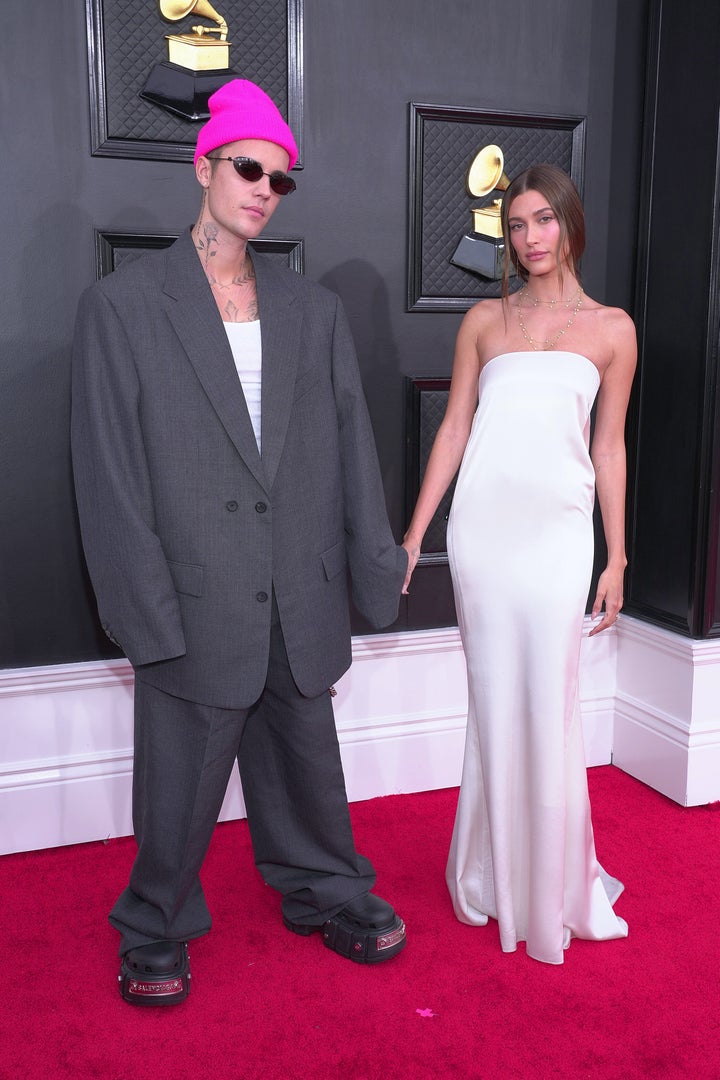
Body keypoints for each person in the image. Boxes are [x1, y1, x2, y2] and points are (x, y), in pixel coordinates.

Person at [71, 79, 408, 1005]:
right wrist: (143, 607)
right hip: (191, 588)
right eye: (249, 168)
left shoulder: (314, 311)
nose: (264, 187)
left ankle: (326, 891)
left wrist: (371, 565)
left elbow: (350, 446)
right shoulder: (125, 306)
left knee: (307, 757)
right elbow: (108, 474)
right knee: (177, 784)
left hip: (298, 580)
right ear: (204, 166)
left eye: (281, 179)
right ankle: (156, 922)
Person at [402, 164, 636, 965]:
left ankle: (555, 886)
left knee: (554, 705)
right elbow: (455, 430)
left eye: (543, 221)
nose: (531, 238)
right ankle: (490, 876)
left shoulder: (612, 329)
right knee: (495, 701)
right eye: (516, 226)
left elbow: (608, 446)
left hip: (562, 539)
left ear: (570, 223)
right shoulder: (483, 321)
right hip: (484, 538)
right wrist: (416, 534)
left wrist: (618, 553)